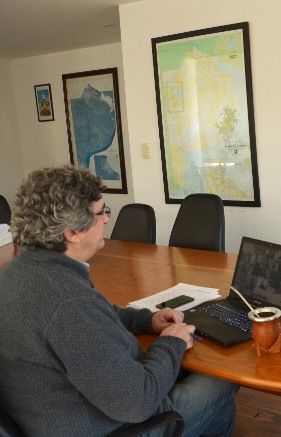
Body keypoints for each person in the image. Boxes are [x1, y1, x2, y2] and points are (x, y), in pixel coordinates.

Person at [0, 165, 239, 437]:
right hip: (115, 424)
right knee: (223, 379)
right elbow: (137, 403)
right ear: (71, 233)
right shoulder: (67, 303)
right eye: (101, 212)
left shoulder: (20, 272)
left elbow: (94, 317)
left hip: (55, 413)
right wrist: (170, 344)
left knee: (215, 406)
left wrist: (145, 320)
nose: (106, 219)